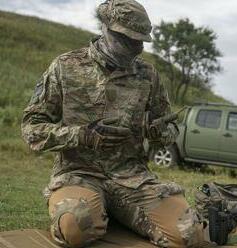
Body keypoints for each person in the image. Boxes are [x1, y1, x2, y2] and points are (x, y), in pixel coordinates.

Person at [21, 0, 204, 247]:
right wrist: (82, 135)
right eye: (128, 39)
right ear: (106, 28)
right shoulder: (65, 67)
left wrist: (158, 131)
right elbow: (32, 129)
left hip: (133, 179)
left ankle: (112, 211)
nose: (137, 47)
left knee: (189, 233)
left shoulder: (148, 75)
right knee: (76, 229)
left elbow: (171, 129)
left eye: (141, 40)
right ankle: (95, 209)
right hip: (79, 174)